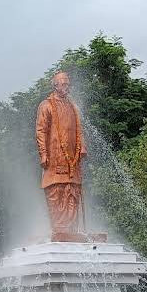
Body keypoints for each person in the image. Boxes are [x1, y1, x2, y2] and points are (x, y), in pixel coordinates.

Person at [35, 71, 87, 238]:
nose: (66, 87)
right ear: (55, 86)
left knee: (72, 191)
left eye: (67, 84)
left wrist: (82, 148)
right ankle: (59, 228)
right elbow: (41, 131)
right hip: (55, 158)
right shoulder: (47, 105)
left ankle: (71, 229)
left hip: (73, 160)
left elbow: (79, 130)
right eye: (63, 84)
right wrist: (43, 153)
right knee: (56, 190)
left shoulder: (73, 106)